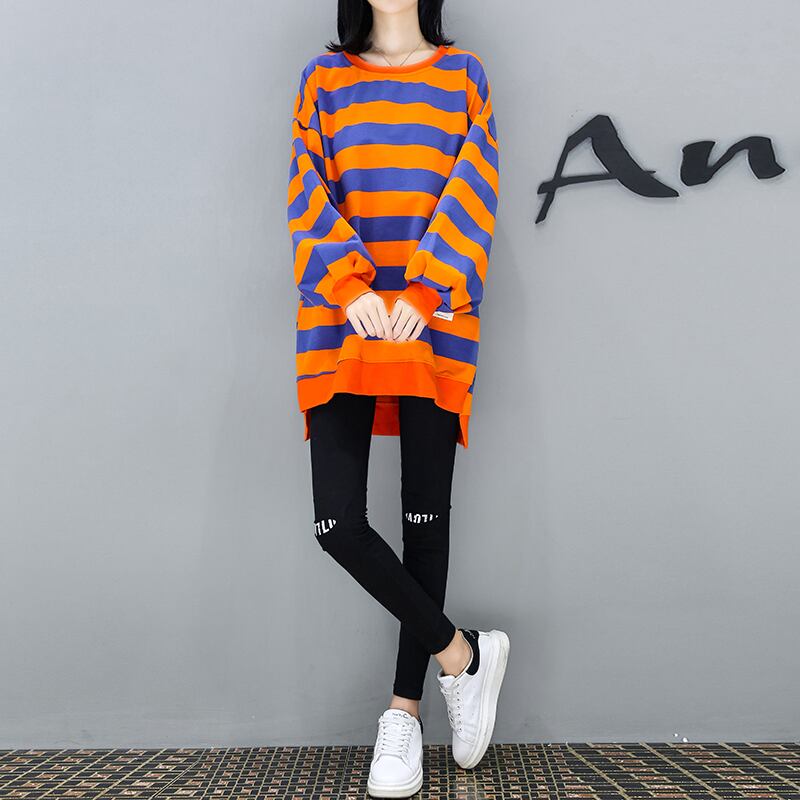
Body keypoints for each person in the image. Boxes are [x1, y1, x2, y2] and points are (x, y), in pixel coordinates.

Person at [286, 1, 508, 795]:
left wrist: (424, 287)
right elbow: (306, 191)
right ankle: (463, 655)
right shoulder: (323, 80)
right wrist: (352, 289)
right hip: (341, 323)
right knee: (337, 525)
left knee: (424, 520)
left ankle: (404, 715)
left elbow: (476, 189)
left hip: (432, 323)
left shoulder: (463, 77)